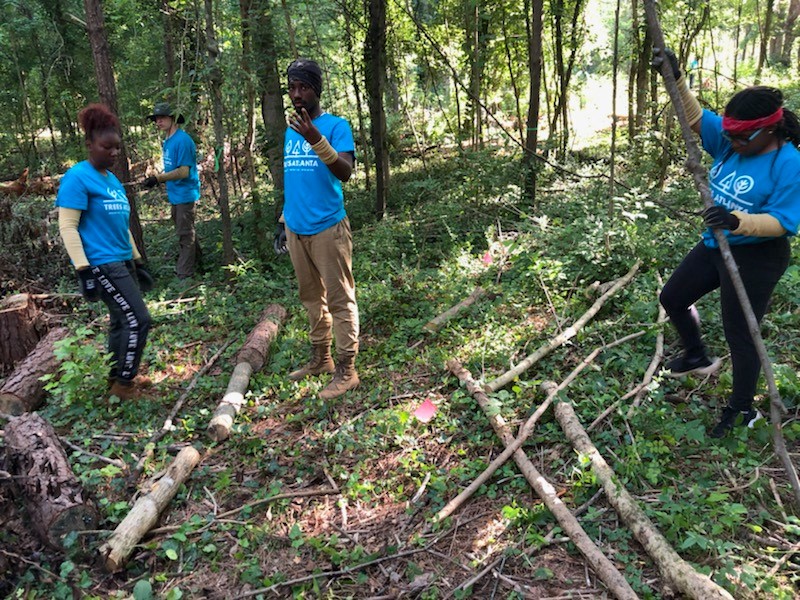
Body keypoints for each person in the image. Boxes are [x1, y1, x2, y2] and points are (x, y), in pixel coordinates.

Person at [655, 49, 800, 437]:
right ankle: (696, 355)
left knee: (741, 332)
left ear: (769, 130)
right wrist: (675, 77)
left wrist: (739, 221)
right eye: (730, 134)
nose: (731, 141)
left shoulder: (789, 164)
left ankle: (742, 409)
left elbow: (784, 222)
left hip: (759, 257)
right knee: (672, 297)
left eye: (741, 136)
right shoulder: (734, 140)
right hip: (716, 243)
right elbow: (697, 119)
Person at [273, 58, 360, 400]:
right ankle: (320, 358)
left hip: (328, 228)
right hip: (297, 229)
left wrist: (315, 138)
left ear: (316, 90)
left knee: (340, 299)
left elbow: (345, 171)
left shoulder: (337, 126)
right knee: (311, 298)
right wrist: (283, 223)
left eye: (303, 87)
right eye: (292, 87)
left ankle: (347, 370)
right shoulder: (289, 131)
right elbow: (295, 183)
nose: (296, 94)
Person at [56, 103, 153, 400]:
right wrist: (83, 270)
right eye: (106, 147)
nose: (113, 153)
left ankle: (116, 379)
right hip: (101, 263)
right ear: (89, 144)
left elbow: (122, 226)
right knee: (139, 319)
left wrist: (137, 261)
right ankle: (125, 384)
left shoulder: (112, 182)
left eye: (116, 148)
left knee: (121, 321)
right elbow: (68, 226)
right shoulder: (77, 177)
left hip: (121, 260)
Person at [143, 102, 201, 280]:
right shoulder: (167, 141)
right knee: (186, 231)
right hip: (175, 194)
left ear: (173, 119)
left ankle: (184, 276)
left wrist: (158, 179)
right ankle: (200, 263)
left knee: (185, 235)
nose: (158, 122)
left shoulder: (182, 141)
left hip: (185, 194)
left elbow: (184, 171)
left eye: (162, 118)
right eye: (156, 119)